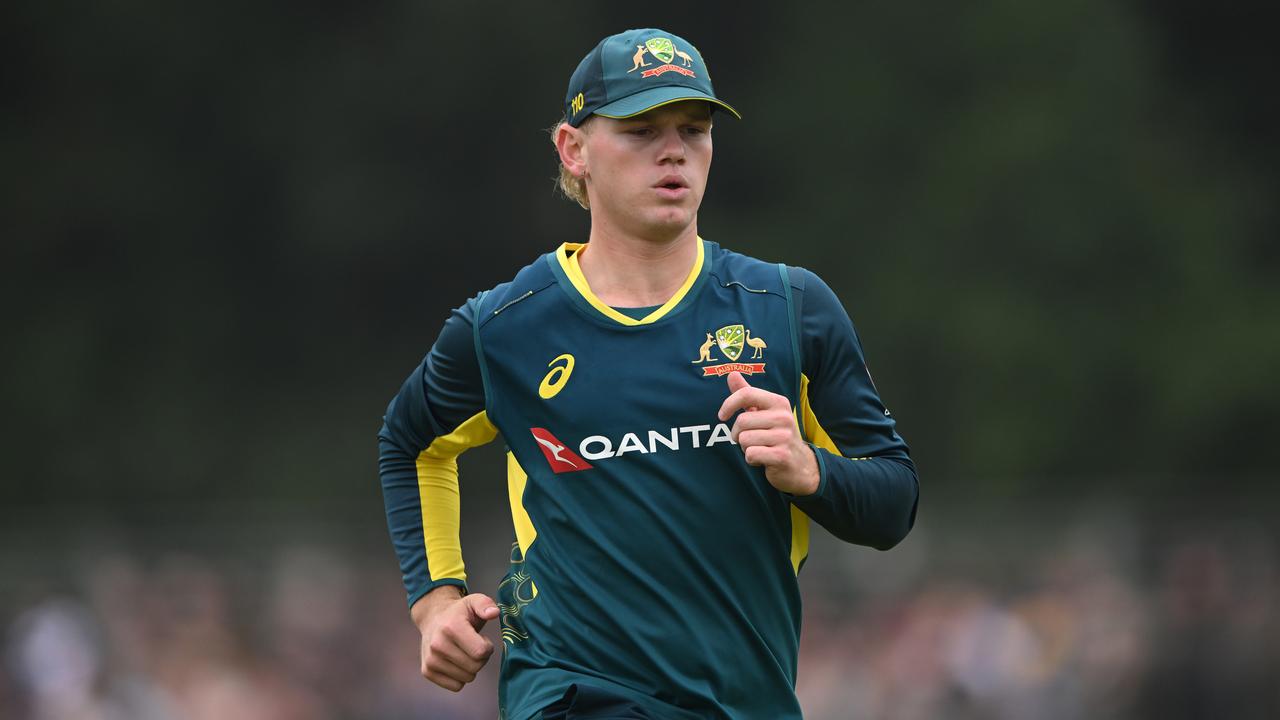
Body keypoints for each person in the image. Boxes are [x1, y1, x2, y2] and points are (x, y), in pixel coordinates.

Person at [378, 27, 919, 720]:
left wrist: (811, 470)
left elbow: (893, 503)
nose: (674, 151)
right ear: (573, 151)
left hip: (744, 701)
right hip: (568, 692)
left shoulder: (789, 310)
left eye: (693, 130)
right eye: (640, 130)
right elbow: (411, 442)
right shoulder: (504, 328)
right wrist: (435, 601)